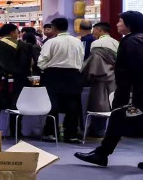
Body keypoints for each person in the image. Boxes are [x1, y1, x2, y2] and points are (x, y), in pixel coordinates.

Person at [75, 11, 143, 168]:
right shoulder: (136, 39)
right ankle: (102, 153)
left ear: (129, 24)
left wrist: (132, 91)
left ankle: (101, 154)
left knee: (117, 119)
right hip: (133, 91)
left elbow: (137, 68)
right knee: (117, 121)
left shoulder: (132, 41)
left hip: (130, 92)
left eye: (121, 21)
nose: (117, 24)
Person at [0, 24, 33, 134]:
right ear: (12, 32)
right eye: (17, 31)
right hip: (18, 81)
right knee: (16, 106)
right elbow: (29, 65)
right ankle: (16, 131)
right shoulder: (25, 47)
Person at [38, 17, 84, 143]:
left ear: (54, 28)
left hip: (54, 75)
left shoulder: (51, 42)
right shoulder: (77, 41)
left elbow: (42, 61)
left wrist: (46, 69)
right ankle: (71, 134)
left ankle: (50, 133)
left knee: (52, 105)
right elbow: (81, 59)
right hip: (74, 75)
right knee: (72, 106)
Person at [82, 22, 117, 135]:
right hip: (112, 77)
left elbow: (93, 62)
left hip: (98, 77)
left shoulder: (96, 44)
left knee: (98, 105)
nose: (93, 33)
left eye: (94, 30)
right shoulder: (116, 42)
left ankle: (97, 129)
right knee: (110, 104)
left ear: (99, 29)